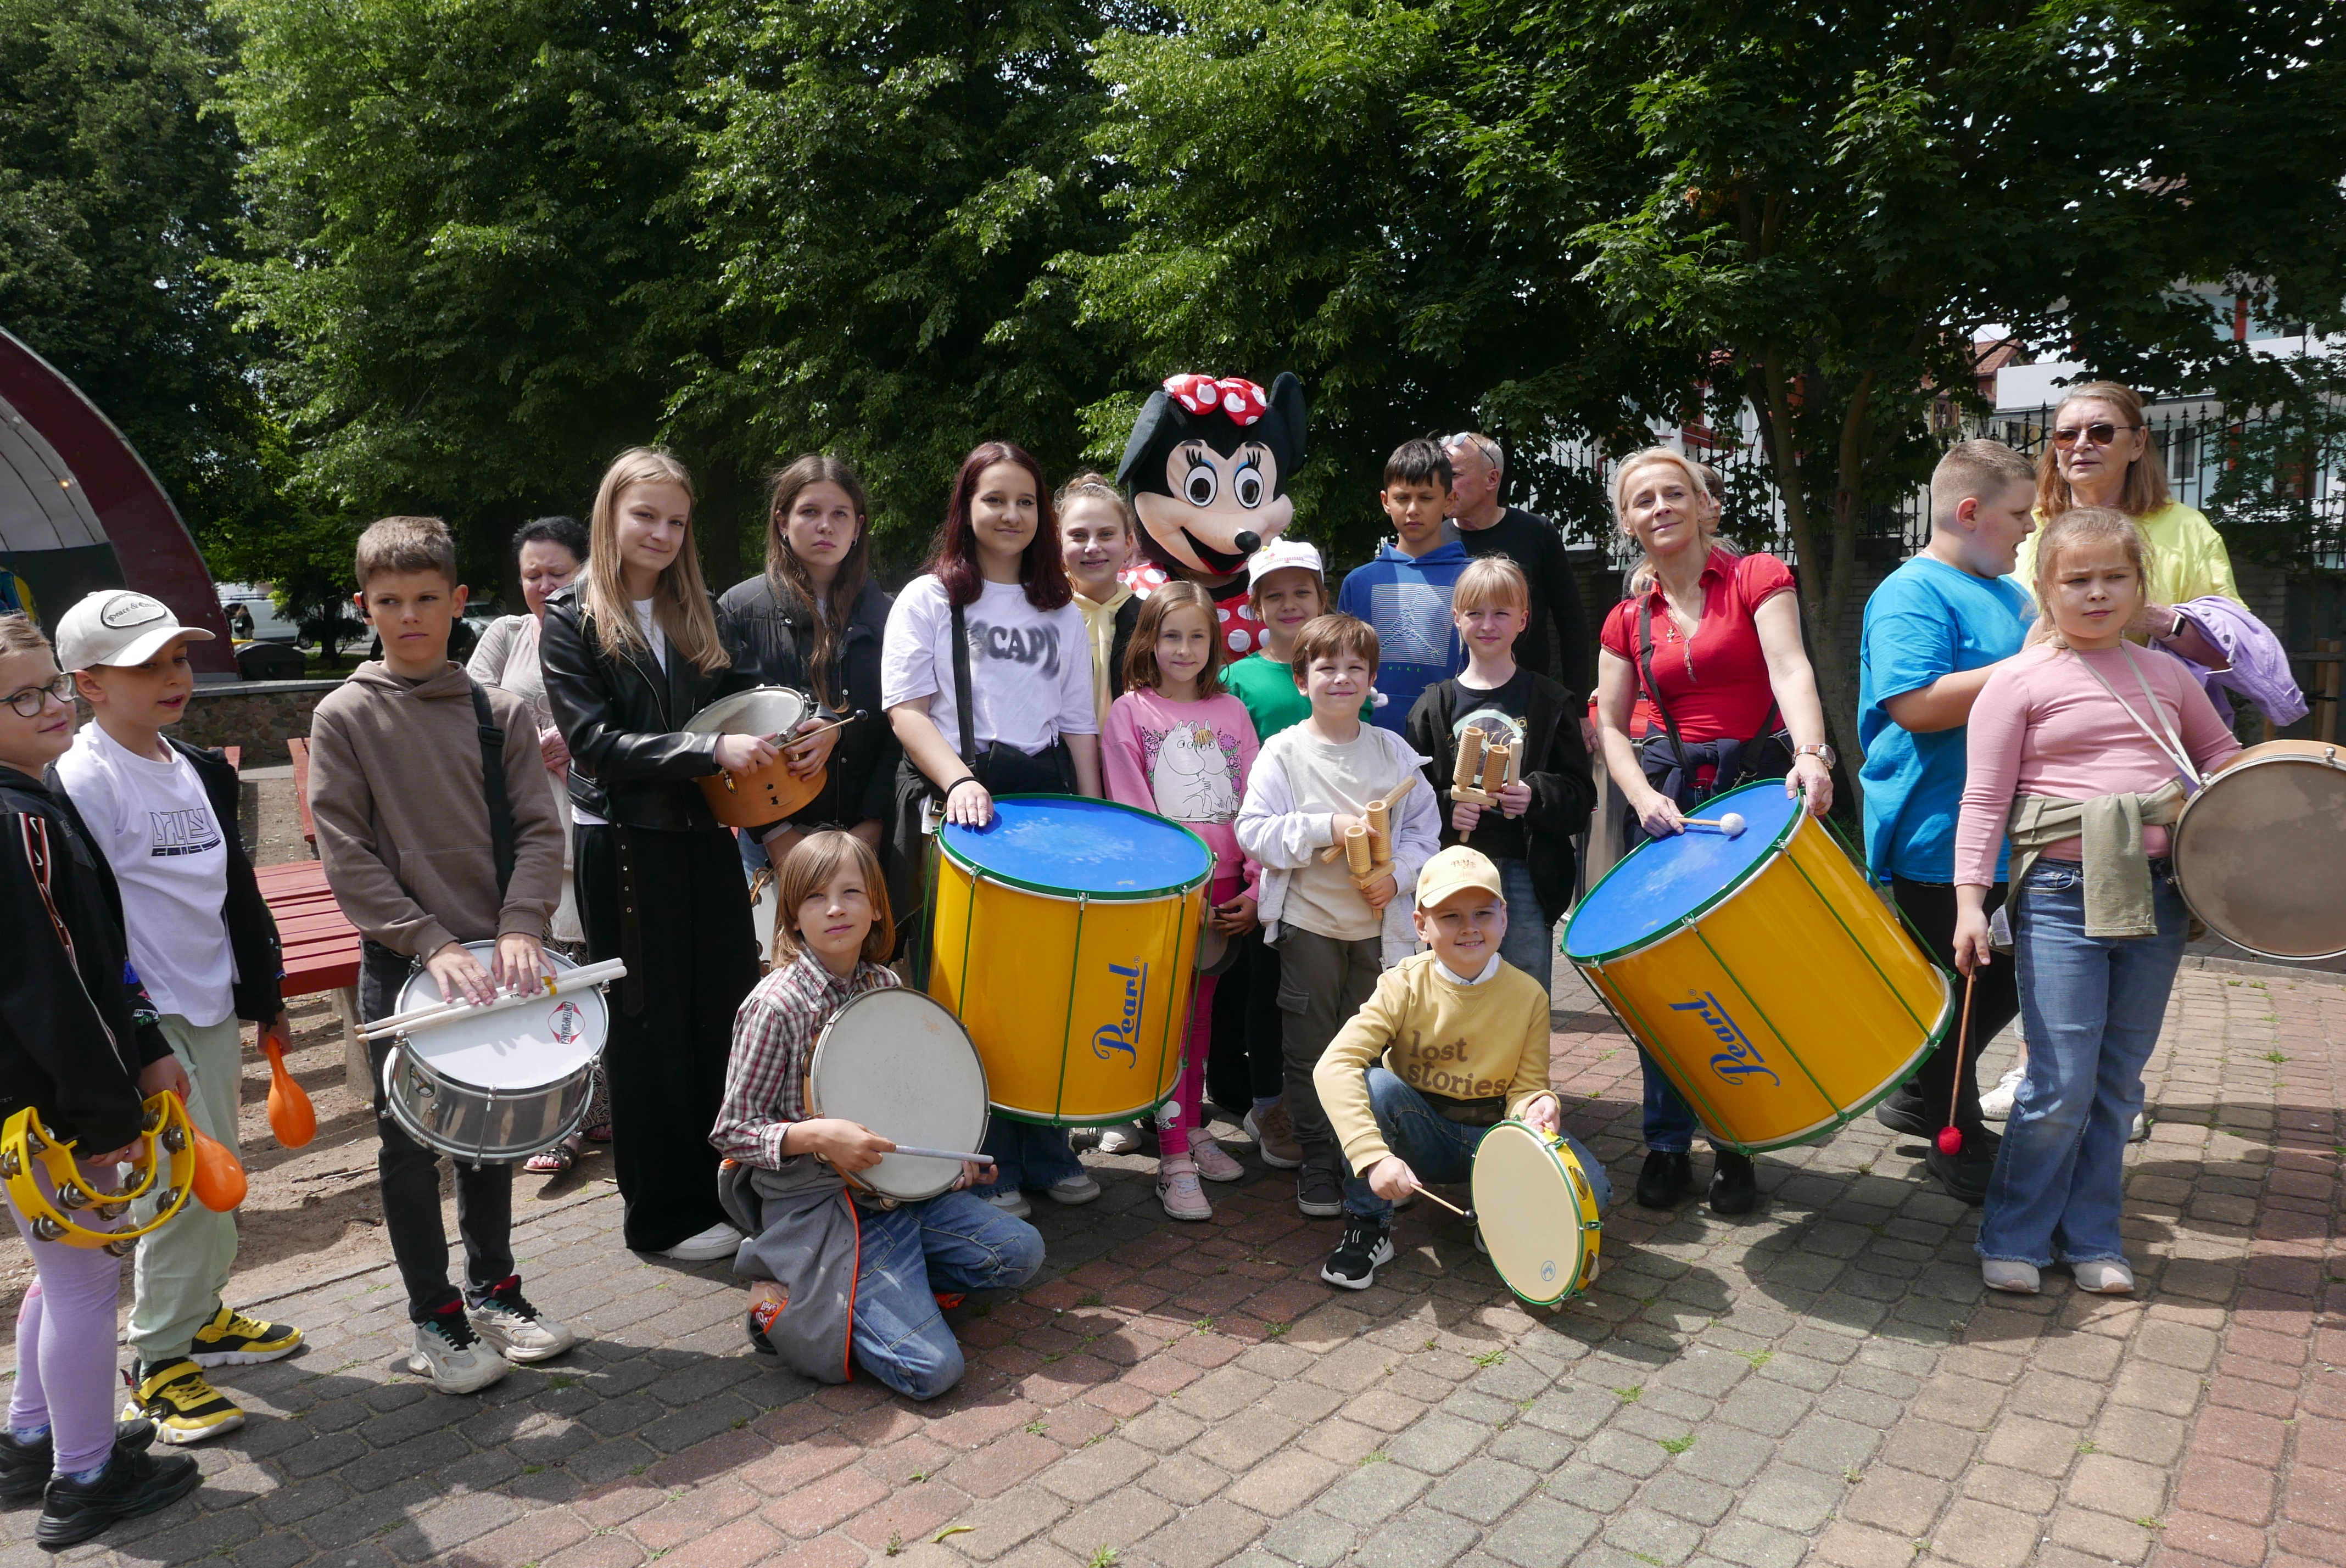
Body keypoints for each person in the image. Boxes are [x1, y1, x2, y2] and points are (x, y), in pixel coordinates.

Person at [306, 516, 580, 1393]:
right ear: (364, 608)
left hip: (500, 959)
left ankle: (496, 1290)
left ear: (459, 602)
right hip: (403, 965)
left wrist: (522, 925)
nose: (410, 617)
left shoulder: (497, 712)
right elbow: (347, 855)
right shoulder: (344, 716)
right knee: (408, 1147)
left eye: (427, 599)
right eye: (390, 601)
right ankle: (435, 1316)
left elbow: (539, 832)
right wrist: (426, 941)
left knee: (492, 1134)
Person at [1953, 507, 2241, 1296]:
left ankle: (2092, 1238)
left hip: (2158, 896)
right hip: (2057, 897)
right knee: (2059, 1081)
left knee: (2118, 1083)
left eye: (2115, 577)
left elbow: (2223, 759)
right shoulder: (2018, 681)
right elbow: (1984, 801)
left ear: (2140, 586)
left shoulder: (2168, 676)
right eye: (2077, 579)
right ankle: (2015, 1235)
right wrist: (1972, 905)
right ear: (2046, 590)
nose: (2097, 593)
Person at [52, 592, 299, 1444]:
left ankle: (201, 1316)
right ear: (89, 684)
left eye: (180, 658)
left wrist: (263, 996)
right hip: (150, 1027)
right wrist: (139, 1035)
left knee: (218, 1183)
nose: (174, 677)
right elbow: (86, 924)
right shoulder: (82, 779)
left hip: (211, 1003)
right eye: (146, 666)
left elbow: (234, 891)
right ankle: (156, 1364)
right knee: (188, 1194)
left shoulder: (193, 765)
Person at [542, 450, 778, 1263]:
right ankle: (662, 1219)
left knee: (721, 1012)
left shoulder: (696, 608)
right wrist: (710, 750)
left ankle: (728, 1191)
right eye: (646, 515)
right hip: (625, 847)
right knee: (649, 1034)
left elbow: (749, 699)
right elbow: (593, 743)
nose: (662, 534)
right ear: (610, 515)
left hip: (704, 836)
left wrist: (801, 730)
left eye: (677, 521)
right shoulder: (571, 615)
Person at [1591, 447, 1836, 1218]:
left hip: (1756, 789)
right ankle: (1667, 1144)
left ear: (1705, 505)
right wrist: (1639, 798)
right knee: (1665, 981)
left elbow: (1790, 669)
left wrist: (1811, 754)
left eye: (1675, 493)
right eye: (1643, 500)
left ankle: (1738, 1145)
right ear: (1627, 522)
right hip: (1667, 803)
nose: (1660, 507)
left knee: (1748, 979)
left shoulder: (1758, 576)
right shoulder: (1626, 618)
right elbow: (1610, 723)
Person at [0, 615, 201, 1549]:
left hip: (35, 1103)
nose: (51, 705)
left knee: (59, 1276)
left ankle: (29, 1438)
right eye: (23, 696)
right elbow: (58, 987)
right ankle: (84, 1478)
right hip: (56, 1106)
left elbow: (95, 959)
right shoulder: (21, 824)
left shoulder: (32, 800)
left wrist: (145, 1038)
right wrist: (105, 1110)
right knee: (85, 1283)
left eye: (50, 684)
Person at [713, 831, 1042, 1398]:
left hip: (898, 1197)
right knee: (932, 1371)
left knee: (1021, 1253)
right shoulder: (775, 1006)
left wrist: (950, 1160)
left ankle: (888, 1284)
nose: (835, 909)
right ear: (792, 917)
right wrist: (818, 1135)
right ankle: (779, 1304)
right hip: (821, 1208)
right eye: (815, 897)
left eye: (850, 893)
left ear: (877, 907)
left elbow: (909, 1098)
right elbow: (733, 1132)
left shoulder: (884, 984)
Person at [882, 441, 1104, 1217]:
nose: (1011, 514)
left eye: (1025, 501)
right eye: (995, 499)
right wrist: (962, 781)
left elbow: (1078, 725)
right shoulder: (928, 599)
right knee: (970, 987)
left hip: (1043, 798)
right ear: (966, 508)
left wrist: (1097, 816)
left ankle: (1044, 1146)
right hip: (961, 798)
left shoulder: (1059, 608)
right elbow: (906, 711)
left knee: (1044, 984)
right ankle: (984, 1158)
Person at [1857, 441, 2038, 1202]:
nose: (2030, 529)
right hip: (1938, 830)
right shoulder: (1912, 592)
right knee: (1958, 992)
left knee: (2013, 977)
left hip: (2006, 832)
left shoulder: (2011, 593)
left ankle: (1917, 1097)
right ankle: (1950, 1136)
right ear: (1969, 513)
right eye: (2019, 513)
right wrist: (2030, 664)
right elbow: (1915, 704)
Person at [1311, 845, 1612, 1288]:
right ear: (1421, 925)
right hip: (1421, 1133)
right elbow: (1334, 1065)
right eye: (1450, 916)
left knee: (1594, 1192)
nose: (1470, 927)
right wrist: (1373, 1158)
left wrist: (1537, 1104)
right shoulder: (1401, 984)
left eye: (1483, 913)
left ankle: (1497, 1209)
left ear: (1504, 917)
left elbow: (1527, 1087)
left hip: (1495, 1137)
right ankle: (1368, 1223)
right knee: (1375, 1086)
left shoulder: (1529, 995)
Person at [1236, 613, 1442, 1219]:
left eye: (1356, 668)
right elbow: (1254, 832)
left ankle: (1368, 1161)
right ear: (1302, 680)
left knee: (1373, 1052)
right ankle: (1318, 1157)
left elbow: (1425, 834)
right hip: (1309, 928)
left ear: (1373, 680)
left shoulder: (1393, 752)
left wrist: (1398, 878)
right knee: (1310, 1050)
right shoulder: (1283, 752)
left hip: (1380, 936)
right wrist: (1327, 827)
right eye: (1327, 668)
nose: (1342, 678)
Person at [1102, 582, 1260, 1219]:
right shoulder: (1130, 713)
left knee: (1201, 1021)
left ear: (1214, 644)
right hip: (1168, 892)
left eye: (1197, 636)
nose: (1184, 649)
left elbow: (1255, 803)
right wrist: (1174, 884)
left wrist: (1255, 884)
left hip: (1226, 893)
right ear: (1149, 641)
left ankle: (1193, 1128)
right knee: (1165, 1024)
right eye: (1172, 635)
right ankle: (1172, 1159)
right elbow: (1133, 808)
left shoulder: (1233, 712)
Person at [470, 517, 608, 1178]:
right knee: (546, 984)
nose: (546, 585)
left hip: (597, 830)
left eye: (559, 573)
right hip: (530, 840)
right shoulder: (505, 635)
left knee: (594, 978)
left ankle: (599, 1108)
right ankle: (559, 1121)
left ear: (586, 570)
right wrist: (533, 736)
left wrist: (580, 739)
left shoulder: (609, 633)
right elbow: (468, 708)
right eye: (533, 574)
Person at [1405, 558, 1595, 987]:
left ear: (1523, 621)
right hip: (1455, 866)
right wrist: (1447, 808)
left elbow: (1581, 797)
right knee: (1455, 983)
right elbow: (1411, 797)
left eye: (1501, 613)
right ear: (1456, 618)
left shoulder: (1549, 702)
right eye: (1475, 613)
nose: (1488, 625)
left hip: (1526, 870)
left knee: (1524, 984)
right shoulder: (1434, 706)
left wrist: (1535, 795)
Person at [1216, 540, 1339, 1169]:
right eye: (1276, 595)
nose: (1290, 605)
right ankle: (1269, 1105)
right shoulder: (1237, 681)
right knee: (1264, 992)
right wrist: (1250, 876)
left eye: (1302, 592)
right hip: (1267, 866)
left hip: (1334, 869)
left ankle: (1329, 1102)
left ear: (1322, 598)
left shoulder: (1342, 672)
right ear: (1256, 606)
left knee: (1325, 994)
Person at [717, 456, 902, 865]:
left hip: (868, 831)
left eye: (840, 514)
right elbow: (731, 723)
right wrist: (775, 834)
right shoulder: (738, 608)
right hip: (769, 839)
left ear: (859, 527)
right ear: (782, 522)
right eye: (810, 512)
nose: (826, 526)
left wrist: (874, 822)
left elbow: (902, 727)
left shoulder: (893, 615)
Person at [1442, 432, 1592, 695]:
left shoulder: (1536, 532)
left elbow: (1572, 623)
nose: (1443, 485)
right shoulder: (1433, 540)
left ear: (1492, 479)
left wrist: (1576, 704)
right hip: (1453, 702)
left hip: (1529, 701)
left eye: (1454, 475)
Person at [1338, 440, 1470, 733]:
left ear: (1449, 501)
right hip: (1368, 734)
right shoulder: (1358, 582)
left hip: (1452, 734)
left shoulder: (1474, 580)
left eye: (1426, 497)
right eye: (1402, 498)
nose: (1413, 509)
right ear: (1386, 501)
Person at [1058, 473, 1142, 733]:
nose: (1093, 547)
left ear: (1128, 544)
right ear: (1059, 543)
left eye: (1106, 535)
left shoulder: (1150, 619)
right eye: (1079, 536)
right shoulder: (1042, 616)